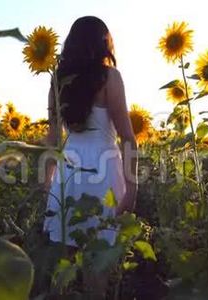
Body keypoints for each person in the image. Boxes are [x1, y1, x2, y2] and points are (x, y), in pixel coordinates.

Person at [43, 16, 138, 248]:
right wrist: (132, 187)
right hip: (104, 172)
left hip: (67, 172)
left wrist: (47, 182)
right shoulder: (109, 77)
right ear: (103, 43)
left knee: (64, 254)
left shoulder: (58, 80)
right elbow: (127, 137)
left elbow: (53, 139)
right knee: (99, 255)